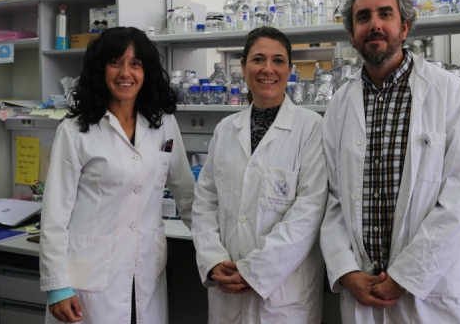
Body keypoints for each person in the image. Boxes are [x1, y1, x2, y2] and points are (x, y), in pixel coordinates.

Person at [320, 0, 460, 323]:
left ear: (405, 26)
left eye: (386, 14)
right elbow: (332, 200)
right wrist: (346, 271)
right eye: (363, 17)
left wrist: (404, 277)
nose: (375, 25)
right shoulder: (339, 106)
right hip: (363, 292)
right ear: (351, 34)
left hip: (434, 294)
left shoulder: (448, 92)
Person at [39, 27, 195, 324]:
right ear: (101, 70)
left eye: (135, 64)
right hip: (90, 279)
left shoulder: (164, 125)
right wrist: (57, 286)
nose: (126, 73)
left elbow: (187, 195)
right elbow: (54, 216)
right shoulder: (75, 131)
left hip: (145, 269)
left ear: (146, 71)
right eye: (116, 62)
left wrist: (215, 250)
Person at [191, 26, 328, 323]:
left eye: (278, 61)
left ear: (290, 69)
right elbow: (205, 203)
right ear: (242, 66)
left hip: (283, 296)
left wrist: (254, 271)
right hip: (226, 287)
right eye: (258, 59)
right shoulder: (226, 129)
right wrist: (214, 261)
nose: (268, 69)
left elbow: (309, 212)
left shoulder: (311, 128)